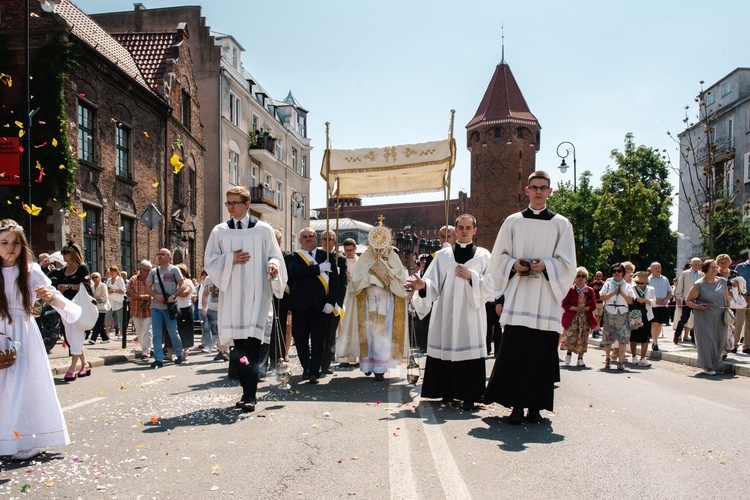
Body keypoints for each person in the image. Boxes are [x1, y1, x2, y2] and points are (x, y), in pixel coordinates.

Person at [484, 171, 576, 424]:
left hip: (546, 299)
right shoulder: (512, 222)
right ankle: (515, 407)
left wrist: (546, 265)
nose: (538, 192)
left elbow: (568, 264)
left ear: (550, 191)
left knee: (541, 356)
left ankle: (535, 408)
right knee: (515, 354)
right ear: (526, 190)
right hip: (520, 297)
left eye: (543, 188)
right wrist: (515, 265)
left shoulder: (561, 224)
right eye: (534, 187)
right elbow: (498, 258)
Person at [0, 219, 81, 460]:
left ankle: (28, 439)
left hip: (22, 334)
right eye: (4, 242)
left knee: (23, 385)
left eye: (15, 243)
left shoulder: (30, 270)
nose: (10, 247)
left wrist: (50, 297)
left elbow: (56, 297)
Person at [204, 186, 286, 412]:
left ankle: (250, 395)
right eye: (228, 203)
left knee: (252, 348)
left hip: (256, 297)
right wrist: (230, 258)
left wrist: (273, 265)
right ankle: (246, 391)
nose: (230, 207)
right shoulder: (220, 231)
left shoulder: (263, 230)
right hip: (232, 299)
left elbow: (275, 256)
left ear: (246, 204)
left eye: (234, 203)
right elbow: (210, 261)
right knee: (238, 350)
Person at [408, 214, 494, 410]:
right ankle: (447, 393)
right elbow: (433, 284)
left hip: (471, 313)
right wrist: (422, 285)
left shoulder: (484, 255)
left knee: (469, 350)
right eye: (460, 228)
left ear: (475, 230)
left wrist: (471, 276)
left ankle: (470, 396)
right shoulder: (443, 257)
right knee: (447, 347)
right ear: (455, 231)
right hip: (446, 313)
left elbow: (492, 284)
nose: (464, 231)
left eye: (468, 227)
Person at [338, 224, 408, 381]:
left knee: (383, 333)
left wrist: (383, 272)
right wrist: (371, 275)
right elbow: (357, 279)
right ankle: (367, 365)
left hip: (386, 301)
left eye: (382, 239)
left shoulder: (392, 255)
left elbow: (399, 277)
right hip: (368, 301)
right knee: (369, 333)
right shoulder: (366, 256)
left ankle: (380, 368)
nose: (378, 243)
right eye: (375, 239)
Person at [286, 227, 339, 384]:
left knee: (318, 340)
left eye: (311, 236)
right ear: (300, 240)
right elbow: (295, 272)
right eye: (305, 236)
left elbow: (335, 282)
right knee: (300, 339)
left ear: (317, 240)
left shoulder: (327, 256)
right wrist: (318, 269)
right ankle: (306, 367)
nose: (308, 239)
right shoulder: (293, 257)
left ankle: (314, 372)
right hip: (300, 306)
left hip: (321, 306)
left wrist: (331, 302)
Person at [50, 241, 91, 381]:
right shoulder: (62, 270)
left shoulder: (82, 268)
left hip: (78, 307)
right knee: (70, 337)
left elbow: (86, 287)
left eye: (66, 252)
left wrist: (68, 286)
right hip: (65, 306)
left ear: (73, 253)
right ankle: (84, 364)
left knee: (77, 335)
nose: (64, 255)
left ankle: (72, 367)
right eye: (63, 252)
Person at [685, 259, 731, 375]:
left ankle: (715, 363)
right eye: (713, 267)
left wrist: (728, 311)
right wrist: (698, 306)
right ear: (705, 269)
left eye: (716, 267)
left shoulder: (723, 282)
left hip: (720, 317)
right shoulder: (699, 284)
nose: (716, 269)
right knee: (707, 341)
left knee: (719, 341)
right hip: (704, 317)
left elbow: (726, 299)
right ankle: (708, 366)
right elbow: (688, 301)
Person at [147, 248, 187, 368]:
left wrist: (174, 296)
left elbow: (183, 285)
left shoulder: (174, 270)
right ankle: (158, 359)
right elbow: (147, 287)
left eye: (163, 254)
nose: (160, 256)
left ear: (169, 257)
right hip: (156, 306)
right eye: (159, 254)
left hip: (169, 307)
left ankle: (179, 354)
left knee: (173, 332)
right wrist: (155, 296)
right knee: (157, 333)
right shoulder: (154, 272)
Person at [319, 230, 347, 375]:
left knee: (330, 334)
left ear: (334, 242)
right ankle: (316, 362)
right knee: (318, 334)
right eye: (324, 239)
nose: (326, 241)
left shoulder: (340, 259)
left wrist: (337, 303)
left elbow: (342, 284)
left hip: (333, 304)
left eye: (330, 239)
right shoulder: (316, 257)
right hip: (318, 303)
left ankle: (325, 364)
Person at [560, 267, 597, 368]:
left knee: (583, 337)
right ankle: (568, 354)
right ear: (574, 278)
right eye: (578, 276)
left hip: (585, 318)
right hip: (572, 317)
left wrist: (586, 308)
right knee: (570, 336)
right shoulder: (570, 289)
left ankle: (580, 358)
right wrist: (575, 308)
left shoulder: (589, 290)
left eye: (583, 276)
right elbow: (564, 304)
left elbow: (594, 305)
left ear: (586, 278)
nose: (580, 278)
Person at [599, 263, 635, 370]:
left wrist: (621, 292)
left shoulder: (627, 285)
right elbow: (601, 297)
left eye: (619, 271)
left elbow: (631, 301)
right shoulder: (608, 284)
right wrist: (614, 292)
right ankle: (607, 359)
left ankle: (620, 361)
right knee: (608, 337)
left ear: (623, 272)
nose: (616, 273)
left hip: (622, 312)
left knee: (623, 337)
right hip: (609, 311)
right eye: (614, 271)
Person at [717, 253, 744, 353]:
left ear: (729, 262)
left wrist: (737, 285)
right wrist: (726, 292)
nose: (724, 264)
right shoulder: (716, 274)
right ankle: (721, 348)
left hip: (732, 303)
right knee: (720, 324)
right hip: (719, 302)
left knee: (730, 324)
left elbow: (741, 287)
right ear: (718, 263)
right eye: (721, 262)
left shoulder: (734, 273)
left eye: (726, 262)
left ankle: (728, 346)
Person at [673, 257, 704, 344]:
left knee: (697, 319)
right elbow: (680, 286)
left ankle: (693, 338)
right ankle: (677, 335)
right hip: (687, 299)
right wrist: (678, 298)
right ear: (691, 264)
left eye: (698, 265)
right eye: (695, 264)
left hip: (698, 299)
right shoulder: (685, 273)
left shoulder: (702, 274)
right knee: (684, 318)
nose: (697, 266)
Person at [128, 260, 153, 362]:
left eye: (149, 270)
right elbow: (128, 293)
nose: (148, 272)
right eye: (146, 270)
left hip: (149, 310)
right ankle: (145, 349)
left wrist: (151, 297)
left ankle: (145, 352)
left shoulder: (152, 280)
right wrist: (141, 297)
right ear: (140, 269)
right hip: (136, 309)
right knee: (139, 333)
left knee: (148, 331)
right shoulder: (133, 279)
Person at [201, 273, 229, 362]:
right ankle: (221, 350)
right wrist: (204, 308)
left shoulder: (226, 276)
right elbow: (205, 294)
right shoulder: (208, 279)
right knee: (216, 331)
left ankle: (226, 350)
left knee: (224, 330)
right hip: (212, 308)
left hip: (224, 308)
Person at [629, 271, 654, 367]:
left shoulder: (651, 289)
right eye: (638, 282)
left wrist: (645, 300)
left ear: (646, 283)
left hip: (647, 314)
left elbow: (654, 301)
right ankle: (634, 356)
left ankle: (643, 358)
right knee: (634, 336)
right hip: (635, 314)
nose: (640, 285)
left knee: (645, 337)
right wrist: (637, 299)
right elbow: (632, 298)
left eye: (642, 283)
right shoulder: (632, 288)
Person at [648, 262, 672, 350]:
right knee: (654, 323)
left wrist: (666, 299)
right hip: (654, 305)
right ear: (651, 269)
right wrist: (655, 299)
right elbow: (647, 293)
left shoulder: (665, 279)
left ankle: (655, 340)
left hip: (664, 305)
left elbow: (669, 291)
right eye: (656, 268)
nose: (658, 269)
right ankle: (655, 342)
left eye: (659, 267)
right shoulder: (648, 279)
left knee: (660, 324)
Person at [175, 263, 196, 361]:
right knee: (175, 330)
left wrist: (173, 293)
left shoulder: (188, 281)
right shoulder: (174, 282)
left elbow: (185, 293)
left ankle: (185, 352)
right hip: (175, 308)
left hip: (186, 308)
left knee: (186, 331)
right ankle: (170, 352)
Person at [732, 251, 750, 353]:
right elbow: (734, 279)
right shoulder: (740, 266)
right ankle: (734, 344)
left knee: (749, 323)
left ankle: (747, 346)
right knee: (739, 321)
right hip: (741, 296)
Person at [89, 272, 110, 344]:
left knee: (98, 323)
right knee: (100, 323)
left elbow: (105, 297)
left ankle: (93, 338)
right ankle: (105, 338)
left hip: (102, 307)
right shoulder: (91, 287)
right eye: (93, 277)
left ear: (100, 278)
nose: (95, 279)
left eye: (96, 277)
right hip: (95, 307)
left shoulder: (103, 285)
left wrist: (96, 298)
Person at [104, 266, 126, 337]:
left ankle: (122, 333)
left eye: (113, 271)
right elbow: (106, 289)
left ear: (116, 272)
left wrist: (113, 290)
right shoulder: (109, 280)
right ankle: (107, 331)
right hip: (110, 301)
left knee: (120, 318)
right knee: (107, 316)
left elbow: (123, 290)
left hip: (118, 301)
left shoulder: (119, 279)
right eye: (111, 271)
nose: (112, 273)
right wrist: (108, 291)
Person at [588, 270, 605, 338]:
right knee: (595, 316)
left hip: (601, 302)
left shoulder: (604, 284)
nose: (598, 277)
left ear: (602, 276)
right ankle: (594, 329)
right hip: (595, 302)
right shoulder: (592, 284)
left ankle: (597, 329)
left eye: (599, 276)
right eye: (597, 276)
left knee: (599, 317)